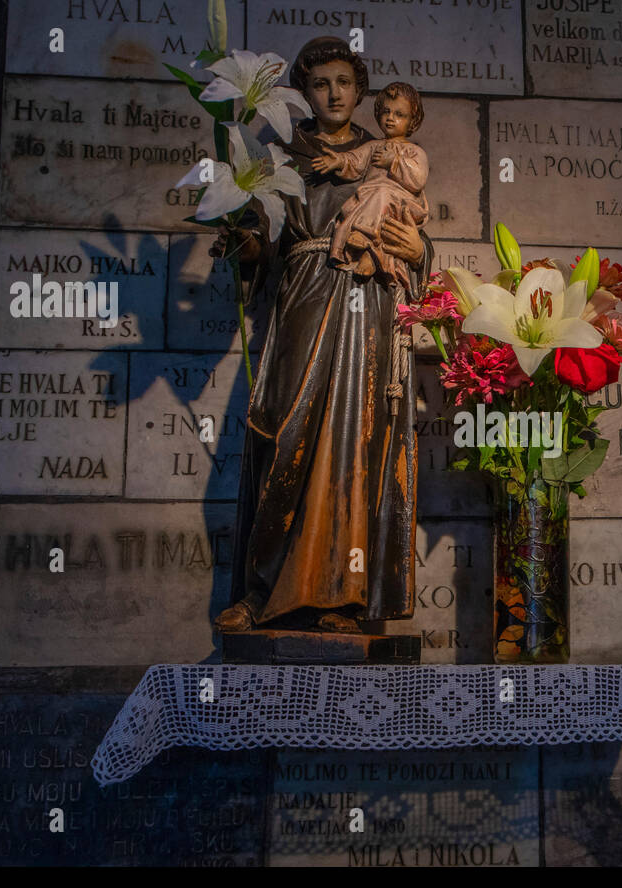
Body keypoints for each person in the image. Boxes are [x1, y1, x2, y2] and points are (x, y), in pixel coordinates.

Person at [210, 36, 433, 634]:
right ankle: (261, 592)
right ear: (304, 92)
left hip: (370, 305)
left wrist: (420, 251)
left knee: (355, 443)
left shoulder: (386, 151)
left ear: (360, 92)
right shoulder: (285, 152)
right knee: (287, 431)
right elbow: (262, 233)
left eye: (344, 83)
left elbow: (416, 228)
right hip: (306, 295)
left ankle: (343, 598)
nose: (333, 93)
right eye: (319, 83)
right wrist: (243, 242)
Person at [312, 82, 429, 294]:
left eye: (399, 114)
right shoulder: (374, 146)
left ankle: (366, 238)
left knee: (381, 194)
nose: (391, 118)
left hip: (401, 205)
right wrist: (338, 161)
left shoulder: (414, 151)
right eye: (386, 112)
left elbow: (418, 178)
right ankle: (368, 255)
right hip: (374, 201)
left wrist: (393, 161)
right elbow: (355, 161)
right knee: (369, 198)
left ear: (413, 120)